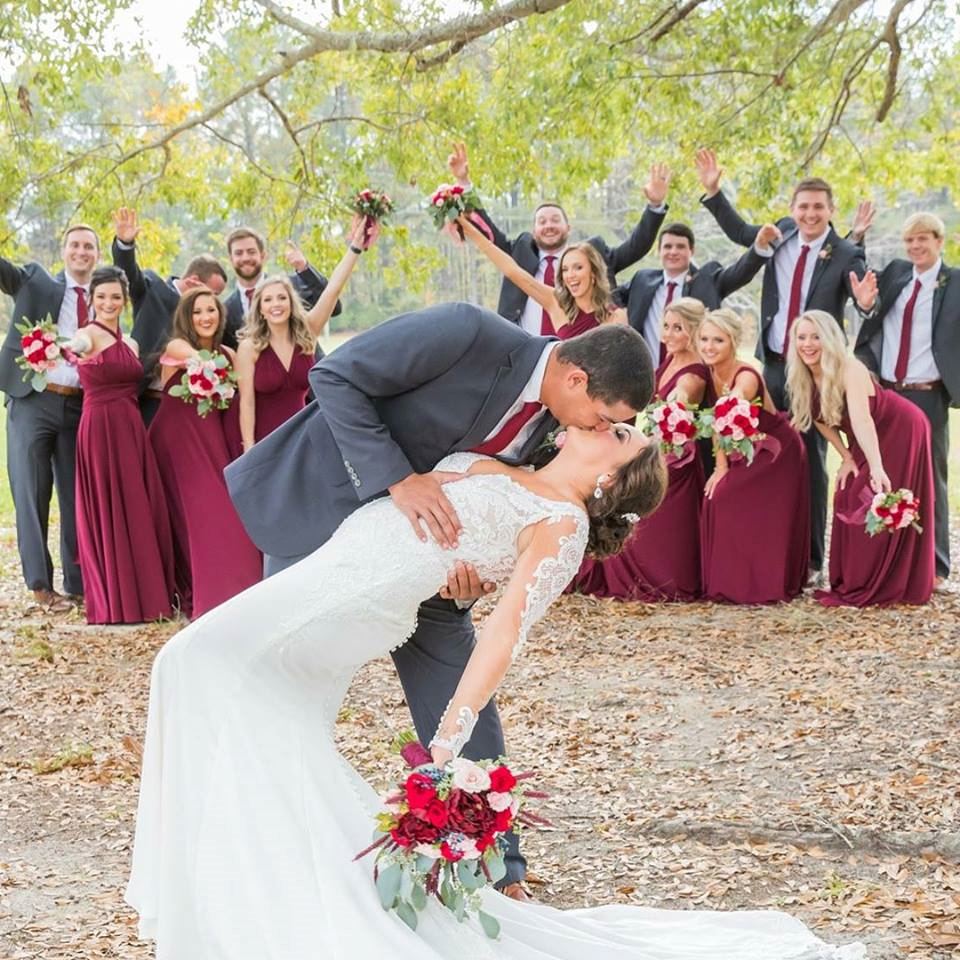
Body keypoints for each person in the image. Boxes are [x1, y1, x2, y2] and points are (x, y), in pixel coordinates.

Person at [131, 421, 860, 959]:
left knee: (192, 662)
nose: (610, 423)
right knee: (244, 707)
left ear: (609, 480)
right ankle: (250, 902)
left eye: (622, 434)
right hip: (330, 568)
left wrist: (449, 738)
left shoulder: (561, 522)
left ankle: (256, 903)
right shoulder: (512, 461)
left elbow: (507, 628)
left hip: (351, 600)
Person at [226, 311, 656, 896]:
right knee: (284, 683)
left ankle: (496, 865)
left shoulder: (560, 432)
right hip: (333, 522)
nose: (600, 427)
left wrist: (482, 574)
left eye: (615, 429)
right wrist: (399, 479)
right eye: (606, 418)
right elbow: (335, 378)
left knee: (460, 680)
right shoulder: (468, 334)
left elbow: (516, 512)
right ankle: (270, 840)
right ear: (577, 380)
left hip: (437, 573)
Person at [695, 149, 871, 579]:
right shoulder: (781, 235)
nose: (810, 214)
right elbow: (740, 232)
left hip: (813, 373)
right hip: (771, 365)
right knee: (757, 453)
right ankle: (764, 547)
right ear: (793, 210)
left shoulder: (847, 253)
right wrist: (715, 190)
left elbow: (864, 296)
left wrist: (866, 306)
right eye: (803, 206)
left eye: (818, 207)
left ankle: (811, 559)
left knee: (809, 460)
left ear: (831, 211)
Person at [788, 310, 935, 606]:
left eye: (816, 337)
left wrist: (876, 466)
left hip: (899, 428)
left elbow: (862, 420)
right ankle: (853, 578)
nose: (808, 344)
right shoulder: (803, 374)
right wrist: (845, 456)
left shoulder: (849, 368)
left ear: (829, 339)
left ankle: (883, 581)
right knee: (846, 493)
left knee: (874, 496)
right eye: (801, 337)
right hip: (863, 438)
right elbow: (818, 419)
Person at [571, 297, 710, 601]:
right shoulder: (673, 358)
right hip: (659, 446)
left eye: (679, 328)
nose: (669, 335)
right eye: (667, 327)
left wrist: (674, 405)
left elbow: (682, 396)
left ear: (694, 331)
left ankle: (659, 578)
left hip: (677, 459)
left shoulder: (693, 372)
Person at [447, 142, 670, 331]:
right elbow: (489, 236)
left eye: (555, 220)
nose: (549, 226)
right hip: (527, 352)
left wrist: (655, 205)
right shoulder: (520, 253)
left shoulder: (593, 256)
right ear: (534, 231)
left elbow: (636, 247)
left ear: (568, 228)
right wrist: (464, 185)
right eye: (542, 222)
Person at [850, 212, 957, 590]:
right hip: (887, 393)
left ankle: (937, 566)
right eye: (909, 240)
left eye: (922, 239)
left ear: (939, 241)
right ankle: (886, 559)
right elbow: (859, 281)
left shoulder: (954, 282)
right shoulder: (896, 274)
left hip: (928, 393)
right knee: (882, 472)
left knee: (930, 480)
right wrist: (863, 303)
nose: (915, 247)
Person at [67, 266, 174, 624]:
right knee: (109, 502)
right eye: (102, 297)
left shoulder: (130, 344)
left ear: (124, 300)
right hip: (100, 428)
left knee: (136, 503)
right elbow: (76, 348)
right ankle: (117, 599)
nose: (109, 303)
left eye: (115, 297)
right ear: (92, 300)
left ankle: (145, 596)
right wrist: (67, 349)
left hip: (130, 426)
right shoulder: (87, 335)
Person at [0, 224, 99, 611]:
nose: (81, 252)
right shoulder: (37, 281)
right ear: (64, 251)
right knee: (31, 493)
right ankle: (41, 586)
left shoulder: (104, 296)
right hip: (34, 400)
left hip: (80, 405)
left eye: (88, 246)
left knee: (78, 497)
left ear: (96, 254)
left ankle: (78, 584)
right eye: (75, 245)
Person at [148, 287, 261, 619]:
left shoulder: (228, 354)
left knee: (222, 519)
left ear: (220, 313)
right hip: (177, 448)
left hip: (214, 447)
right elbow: (189, 355)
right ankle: (206, 599)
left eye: (210, 310)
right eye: (197, 312)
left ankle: (236, 596)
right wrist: (203, 362)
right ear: (187, 317)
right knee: (197, 521)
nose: (205, 317)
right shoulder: (177, 347)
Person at [233, 216, 379, 454]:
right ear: (260, 308)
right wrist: (250, 448)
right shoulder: (250, 347)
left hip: (309, 436)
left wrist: (355, 247)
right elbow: (246, 402)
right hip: (268, 441)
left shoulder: (307, 332)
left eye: (282, 297)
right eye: (268, 299)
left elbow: (333, 291)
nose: (276, 304)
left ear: (291, 302)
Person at [697, 308, 810, 604]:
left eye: (718, 340)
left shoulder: (746, 375)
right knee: (721, 499)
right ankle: (735, 581)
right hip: (746, 450)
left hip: (775, 451)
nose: (709, 346)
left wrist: (720, 468)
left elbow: (725, 414)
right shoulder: (708, 370)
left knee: (728, 496)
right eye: (704, 339)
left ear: (734, 341)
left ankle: (760, 585)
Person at [111, 207, 228, 424]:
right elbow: (128, 275)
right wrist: (125, 246)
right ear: (193, 281)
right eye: (212, 293)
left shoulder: (207, 319)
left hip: (188, 408)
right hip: (144, 398)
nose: (212, 303)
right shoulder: (153, 288)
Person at [616, 221, 776, 362]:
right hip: (643, 375)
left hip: (692, 374)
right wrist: (620, 317)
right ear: (659, 250)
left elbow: (740, 272)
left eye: (680, 246)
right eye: (667, 246)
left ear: (691, 251)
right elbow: (609, 298)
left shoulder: (708, 280)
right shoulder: (642, 280)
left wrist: (759, 247)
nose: (673, 252)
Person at [458, 214, 624, 339]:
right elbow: (512, 271)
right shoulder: (556, 302)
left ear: (593, 274)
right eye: (565, 269)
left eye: (578, 267)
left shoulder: (616, 316)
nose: (570, 275)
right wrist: (471, 231)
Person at [223, 226, 341, 349]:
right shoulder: (225, 310)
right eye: (238, 253)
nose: (245, 258)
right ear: (231, 259)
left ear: (263, 256)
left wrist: (304, 268)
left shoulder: (291, 287)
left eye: (251, 252)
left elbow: (335, 309)